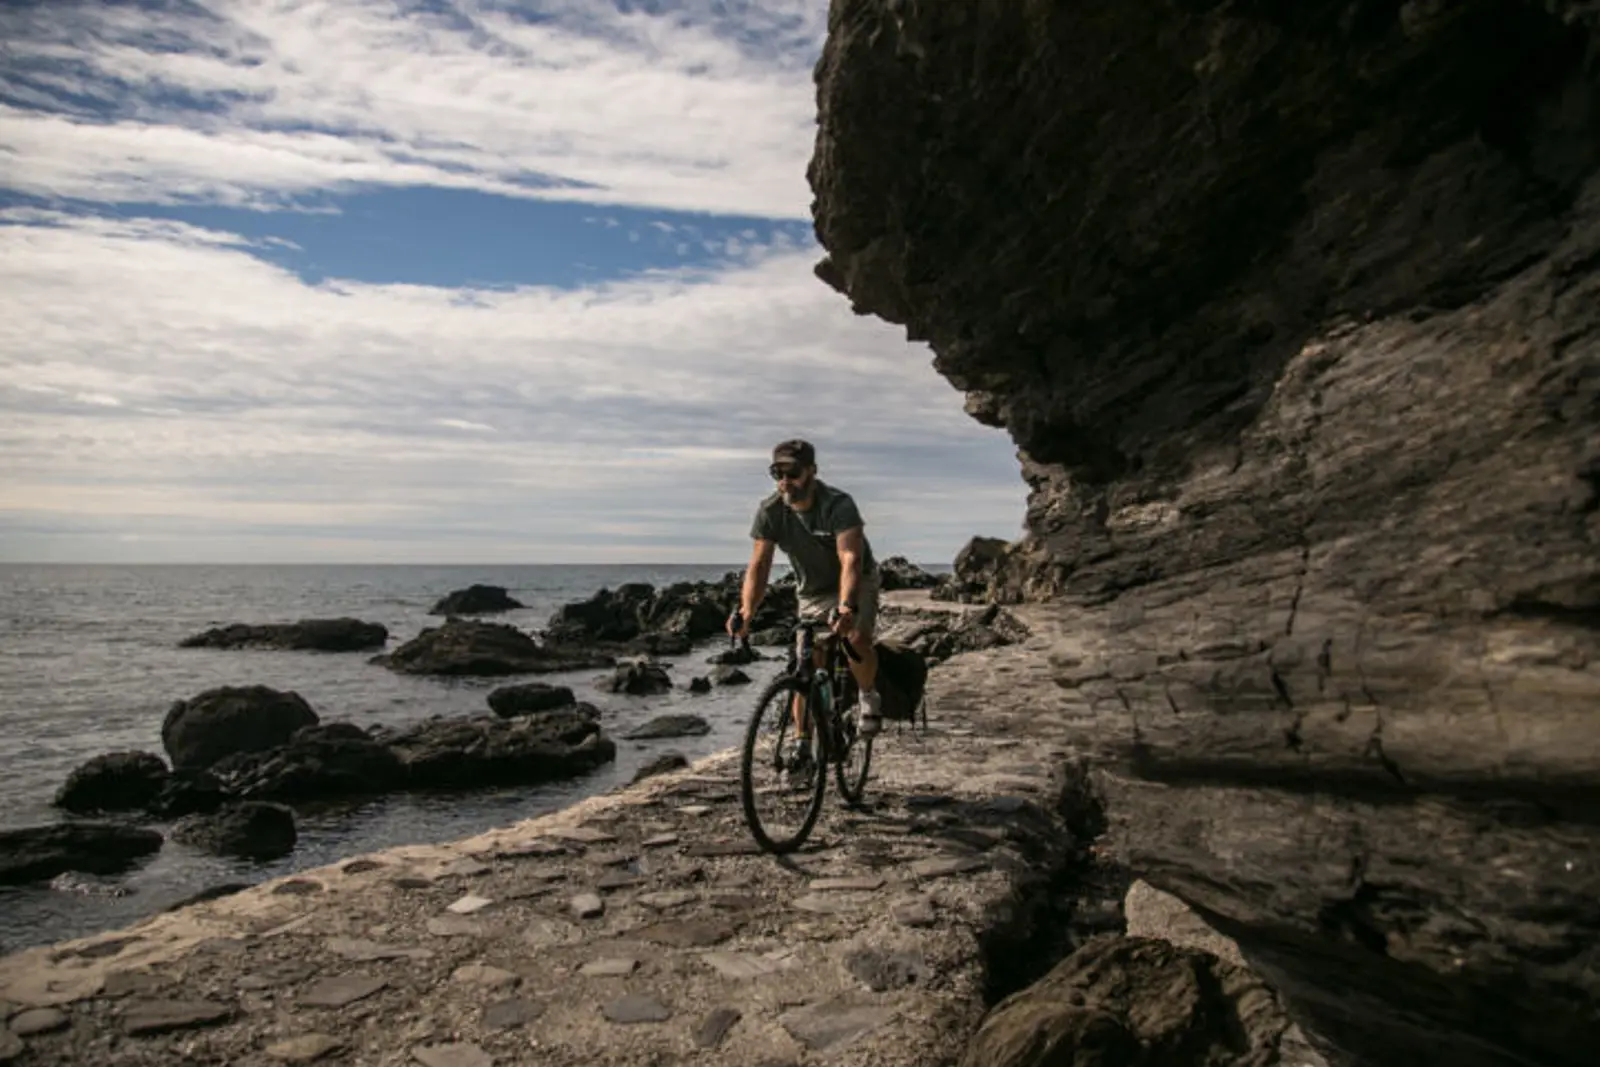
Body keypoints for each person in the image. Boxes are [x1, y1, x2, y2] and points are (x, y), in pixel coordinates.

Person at [729, 439, 883, 741]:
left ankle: (868, 695)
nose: (785, 482)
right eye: (778, 474)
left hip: (855, 581)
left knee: (856, 639)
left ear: (812, 471)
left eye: (793, 473)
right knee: (805, 666)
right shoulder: (771, 511)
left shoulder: (838, 504)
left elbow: (850, 559)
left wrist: (847, 607)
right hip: (811, 591)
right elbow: (759, 566)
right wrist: (747, 611)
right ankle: (801, 743)